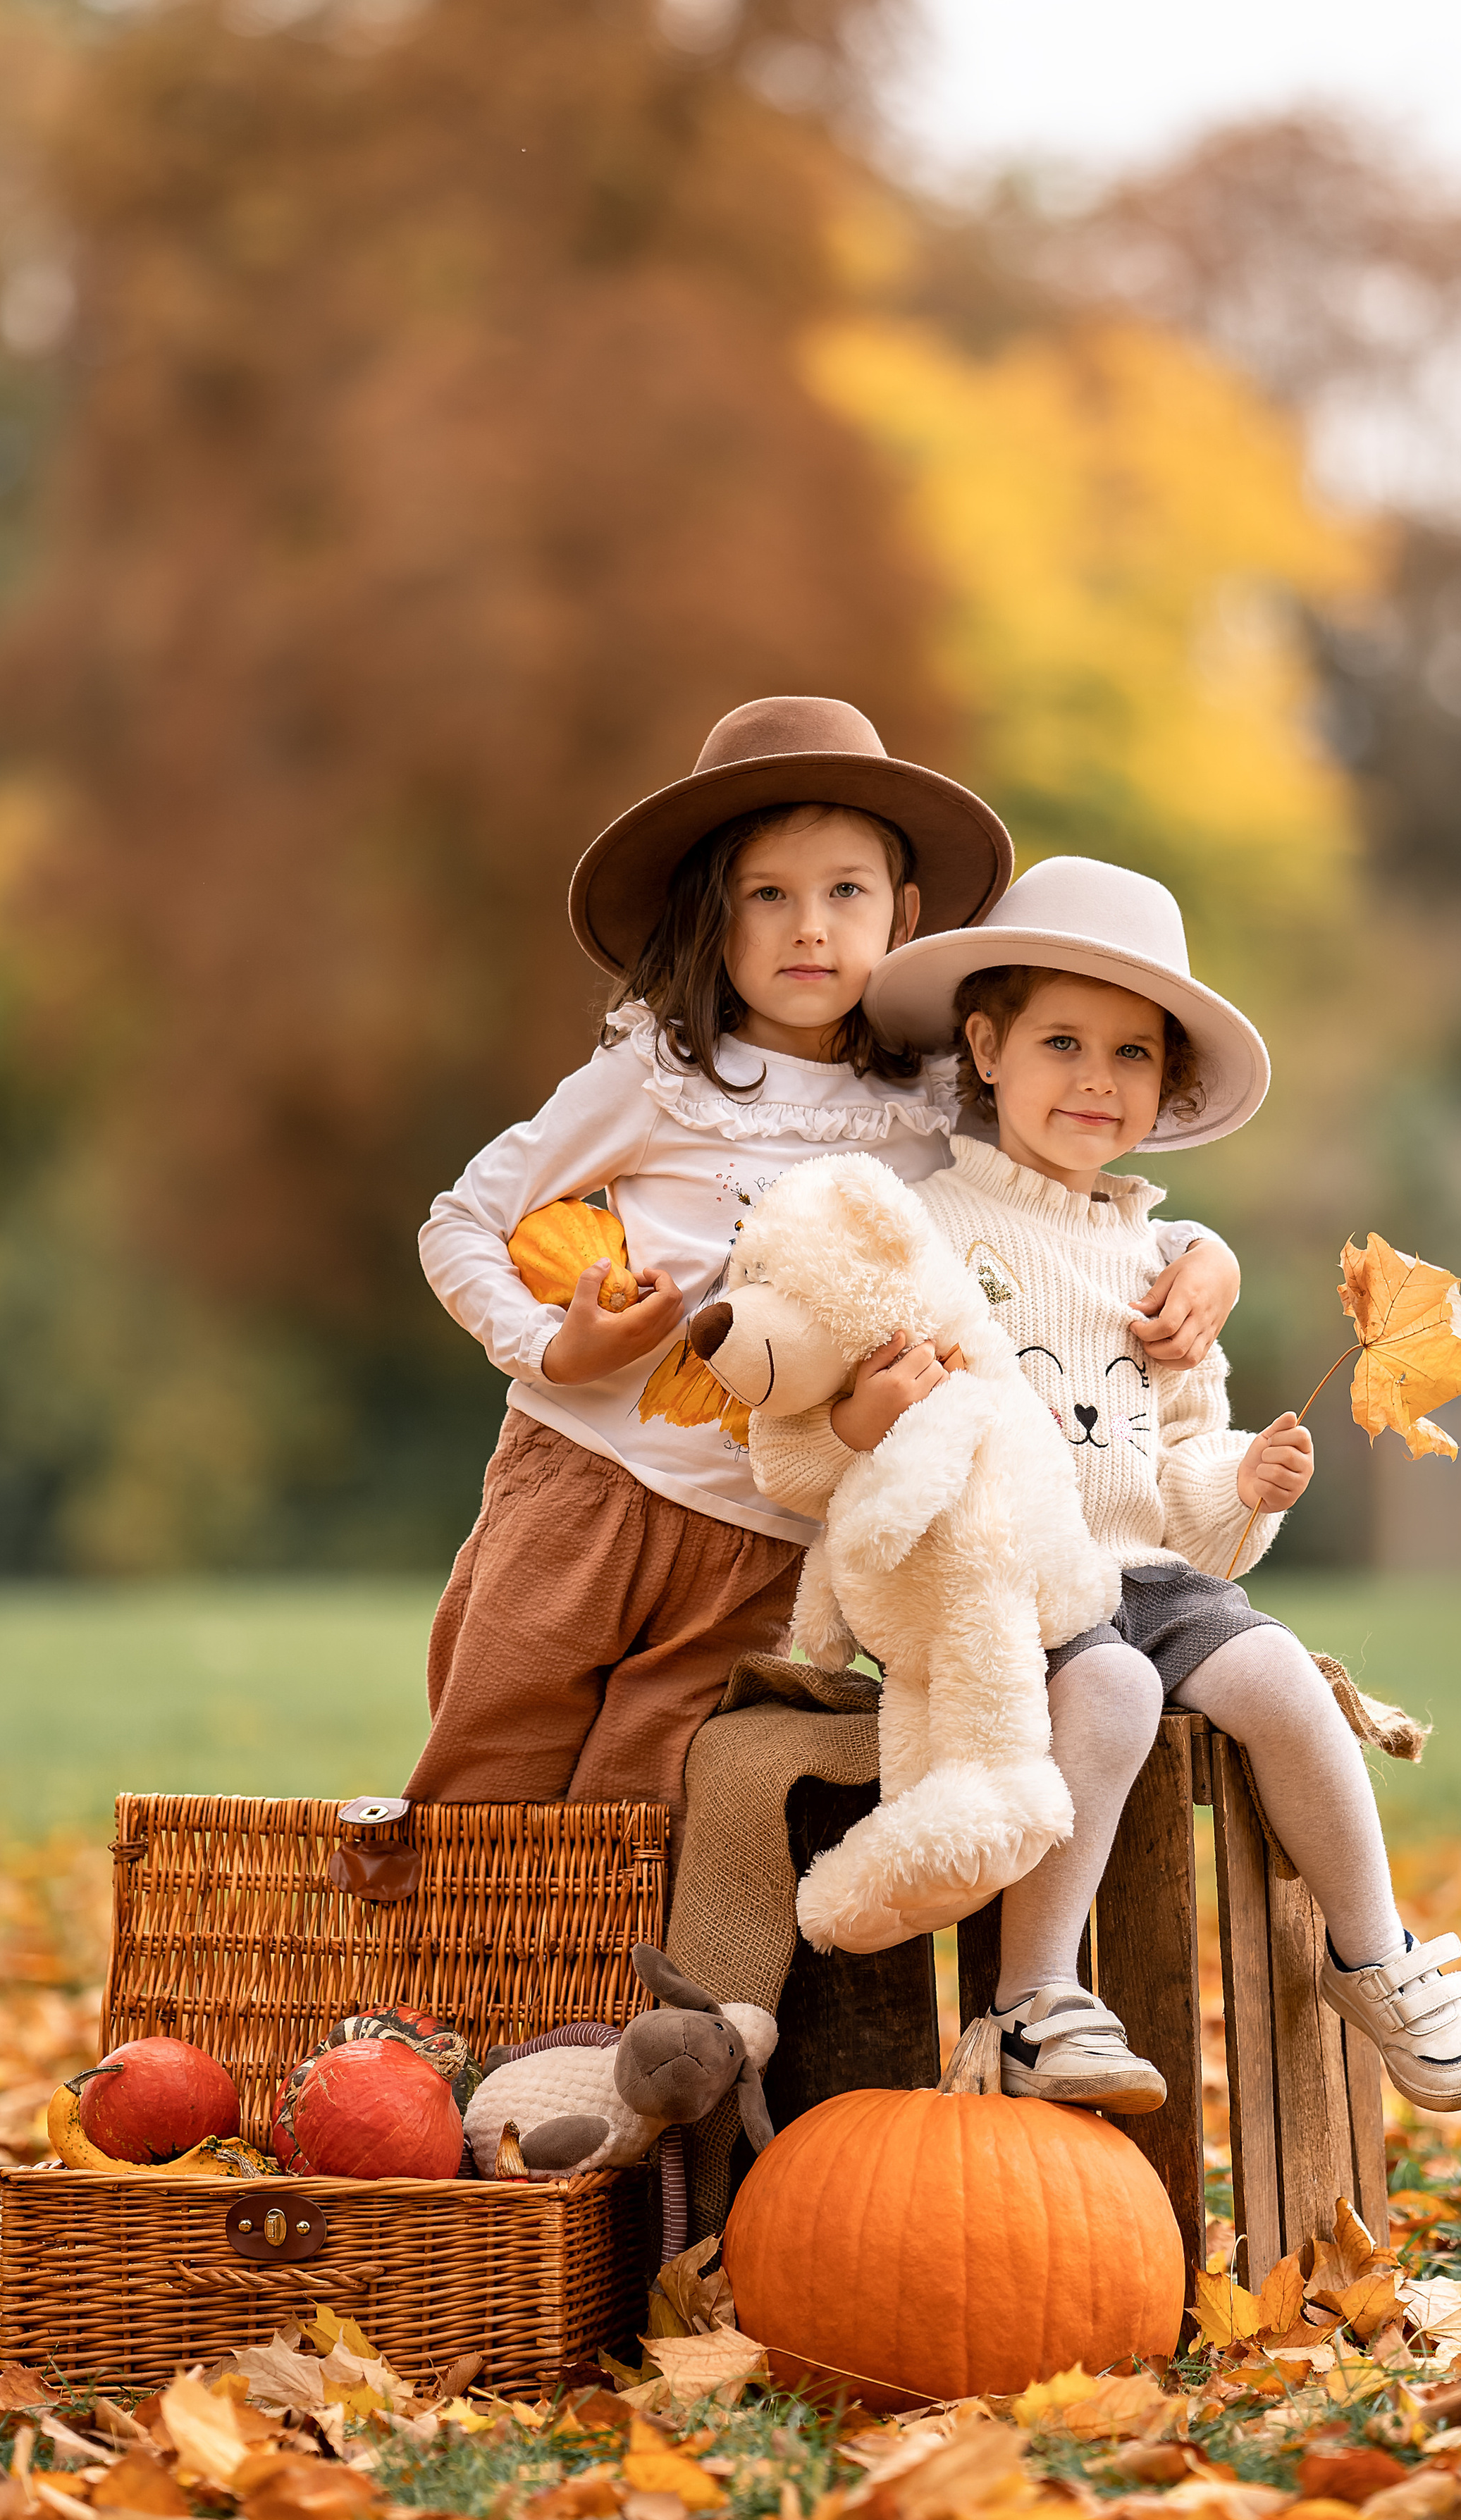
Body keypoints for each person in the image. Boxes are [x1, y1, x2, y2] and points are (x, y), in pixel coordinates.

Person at [752, 852, 1461, 2116]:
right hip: (1010, 1587)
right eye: (1062, 1041)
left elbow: (1182, 1499)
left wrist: (1247, 1483)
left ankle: (1371, 1955)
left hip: (1144, 1573)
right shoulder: (929, 1226)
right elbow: (826, 1417)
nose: (1098, 1080)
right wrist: (864, 1409)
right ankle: (1033, 2001)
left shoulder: (1165, 1263)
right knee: (1101, 1689)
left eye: (1135, 1055)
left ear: (1170, 1081)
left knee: (1272, 1669)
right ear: (986, 1049)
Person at [405, 700, 1243, 1822]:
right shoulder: (657, 1077)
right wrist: (551, 1347)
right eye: (770, 895)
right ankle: (434, 1990)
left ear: (899, 915)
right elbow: (460, 1219)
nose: (810, 928)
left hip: (769, 1540)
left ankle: (592, 2002)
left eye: (845, 892)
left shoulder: (937, 1100)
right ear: (714, 916)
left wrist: (1204, 1258)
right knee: (493, 1755)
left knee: (651, 1804)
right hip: (589, 1486)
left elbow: (1072, 1202)